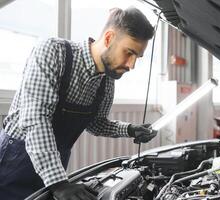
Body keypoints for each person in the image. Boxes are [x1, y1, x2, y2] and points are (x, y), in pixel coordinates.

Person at [0, 7, 157, 200]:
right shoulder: (53, 52)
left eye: (137, 58)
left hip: (54, 165)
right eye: (129, 52)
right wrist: (59, 183)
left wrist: (131, 129)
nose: (132, 65)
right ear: (108, 38)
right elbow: (36, 120)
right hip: (14, 163)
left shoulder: (106, 81)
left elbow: (96, 123)